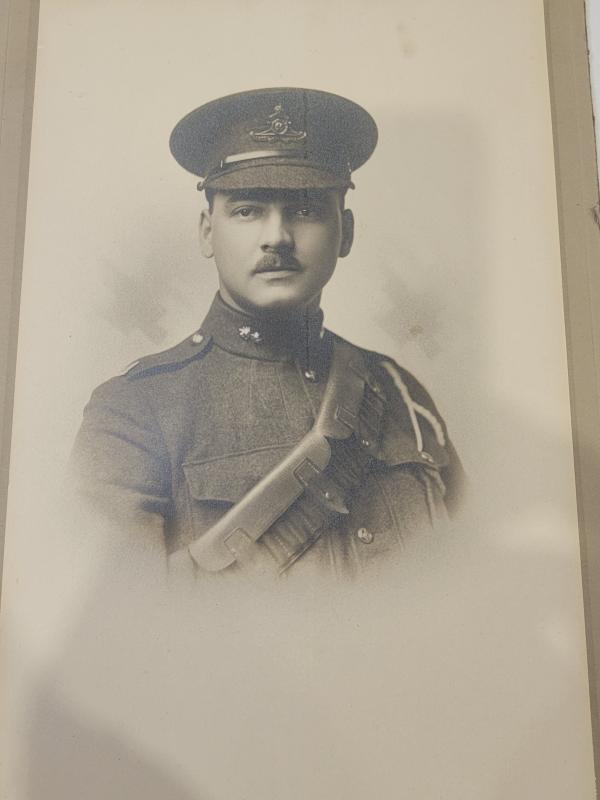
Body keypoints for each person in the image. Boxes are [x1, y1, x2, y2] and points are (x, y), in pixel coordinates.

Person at [71, 87, 465, 585]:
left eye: (304, 211)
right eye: (247, 210)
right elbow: (123, 632)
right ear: (206, 232)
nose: (276, 236)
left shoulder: (401, 395)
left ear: (345, 231)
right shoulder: (135, 412)